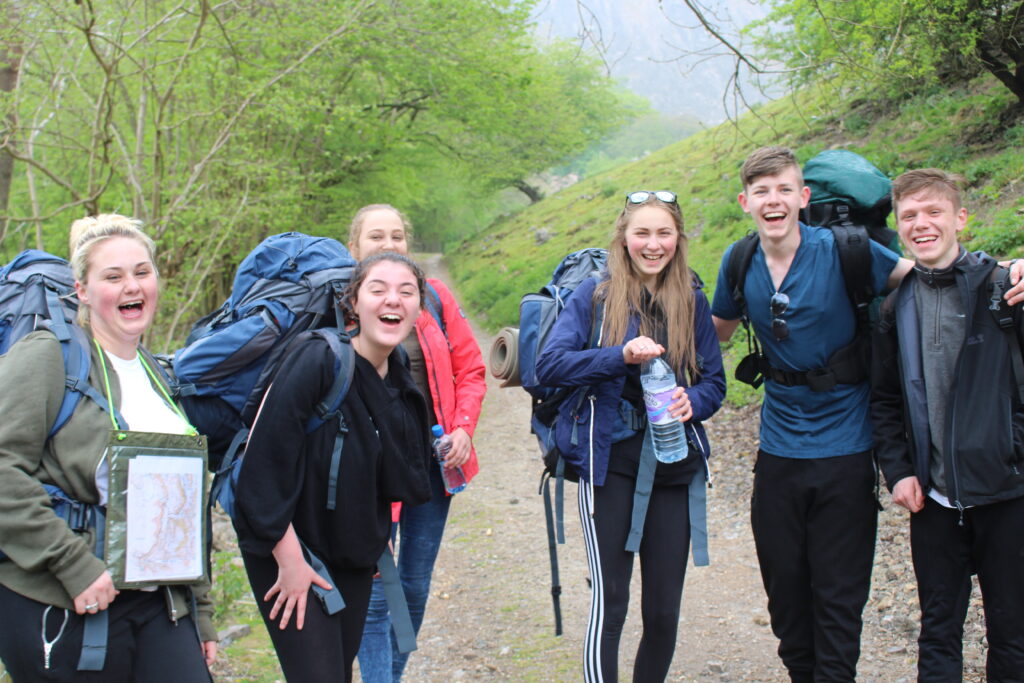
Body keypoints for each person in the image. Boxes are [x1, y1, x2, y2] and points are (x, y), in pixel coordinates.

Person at [711, 147, 1024, 682]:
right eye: (762, 191)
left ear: (804, 199)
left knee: (841, 600)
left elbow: (935, 272)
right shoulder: (739, 262)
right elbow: (707, 336)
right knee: (788, 599)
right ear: (745, 201)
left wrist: (1010, 267)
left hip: (850, 450)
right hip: (780, 449)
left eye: (785, 189)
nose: (774, 201)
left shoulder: (848, 252)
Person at [0, 214, 217, 681]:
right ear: (82, 291)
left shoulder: (159, 373)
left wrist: (201, 609)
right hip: (63, 598)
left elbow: (180, 504)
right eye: (113, 277)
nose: (131, 287)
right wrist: (74, 565)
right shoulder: (48, 356)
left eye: (142, 272)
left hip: (160, 603)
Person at [536, 190, 726, 681]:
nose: (653, 244)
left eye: (664, 233)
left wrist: (694, 402)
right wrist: (619, 355)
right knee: (613, 601)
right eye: (642, 232)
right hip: (608, 466)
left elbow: (714, 383)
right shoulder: (594, 296)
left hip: (673, 463)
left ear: (678, 240)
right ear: (623, 238)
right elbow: (550, 364)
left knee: (663, 612)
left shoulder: (691, 298)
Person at [232, 251, 434, 683]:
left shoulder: (398, 378)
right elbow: (260, 469)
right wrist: (288, 559)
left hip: (352, 555)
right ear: (354, 302)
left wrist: (376, 538)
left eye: (406, 292)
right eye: (377, 289)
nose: (392, 300)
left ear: (420, 308)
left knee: (338, 673)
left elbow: (394, 477)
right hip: (286, 545)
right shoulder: (318, 359)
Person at [871, 168, 1024, 681]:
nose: (921, 224)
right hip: (934, 499)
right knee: (937, 631)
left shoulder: (1006, 289)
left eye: (933, 211)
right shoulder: (897, 306)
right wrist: (899, 471)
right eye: (909, 215)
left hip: (1009, 493)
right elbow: (886, 400)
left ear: (960, 217)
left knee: (1012, 633)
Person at [348, 204, 487, 682]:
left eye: (397, 236)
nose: (388, 244)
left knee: (413, 588)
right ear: (354, 249)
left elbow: (470, 369)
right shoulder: (345, 302)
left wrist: (464, 428)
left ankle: (387, 674)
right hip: (366, 474)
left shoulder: (434, 297)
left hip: (431, 465)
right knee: (376, 592)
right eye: (375, 237)